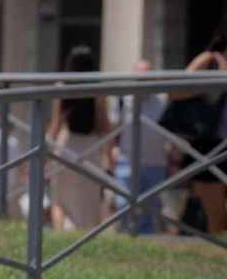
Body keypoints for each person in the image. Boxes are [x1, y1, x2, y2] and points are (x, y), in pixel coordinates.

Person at [169, 24, 227, 236]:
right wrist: (212, 82)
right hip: (210, 145)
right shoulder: (208, 59)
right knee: (216, 215)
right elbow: (175, 92)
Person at [48, 45, 112, 232]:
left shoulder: (61, 86)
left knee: (59, 199)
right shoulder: (98, 88)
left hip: (65, 145)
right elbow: (105, 125)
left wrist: (46, 153)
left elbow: (55, 124)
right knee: (88, 202)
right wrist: (109, 155)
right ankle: (83, 237)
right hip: (90, 147)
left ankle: (60, 235)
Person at [107, 60, 168, 235]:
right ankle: (127, 236)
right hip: (127, 161)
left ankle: (146, 241)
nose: (143, 80)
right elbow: (112, 130)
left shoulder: (162, 101)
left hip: (155, 163)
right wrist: (110, 154)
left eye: (147, 76)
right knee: (123, 204)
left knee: (151, 207)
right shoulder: (121, 100)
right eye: (139, 76)